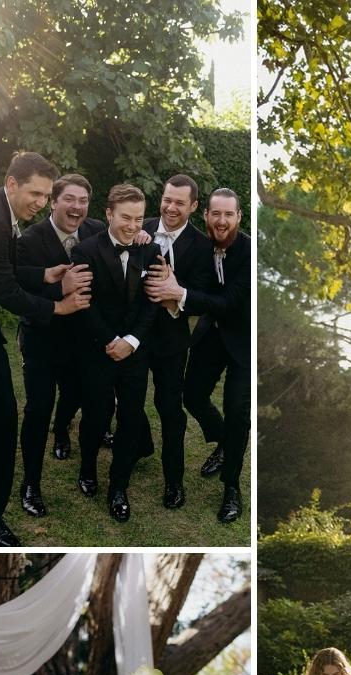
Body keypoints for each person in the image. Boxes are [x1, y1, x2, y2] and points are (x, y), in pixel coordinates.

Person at [0, 151, 90, 544]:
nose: (40, 203)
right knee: (2, 421)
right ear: (12, 184)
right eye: (35, 193)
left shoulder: (0, 209)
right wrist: (57, 306)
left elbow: (1, 269)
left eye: (46, 195)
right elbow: (5, 289)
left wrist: (44, 274)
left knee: (1, 419)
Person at [145, 187, 250, 524]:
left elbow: (229, 301)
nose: (221, 221)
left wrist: (181, 292)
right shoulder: (202, 247)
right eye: (215, 213)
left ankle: (231, 488)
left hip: (244, 338)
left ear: (238, 217)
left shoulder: (250, 251)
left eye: (228, 215)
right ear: (205, 214)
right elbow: (195, 284)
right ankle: (224, 441)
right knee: (191, 395)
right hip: (210, 333)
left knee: (237, 410)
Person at [70, 183, 161, 522]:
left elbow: (152, 302)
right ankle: (88, 468)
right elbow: (86, 304)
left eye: (139, 219)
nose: (134, 226)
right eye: (126, 218)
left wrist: (132, 341)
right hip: (97, 348)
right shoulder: (85, 251)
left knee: (132, 419)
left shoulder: (150, 251)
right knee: (94, 415)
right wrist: (111, 340)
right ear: (108, 213)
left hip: (136, 352)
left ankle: (118, 487)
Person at [15, 173, 104, 517]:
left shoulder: (97, 230)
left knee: (76, 396)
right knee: (38, 410)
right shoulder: (28, 241)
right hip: (42, 339)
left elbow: (126, 232)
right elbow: (20, 293)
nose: (77, 207)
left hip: (82, 340)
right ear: (53, 201)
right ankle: (31, 484)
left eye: (83, 201)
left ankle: (62, 431)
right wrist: (60, 290)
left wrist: (141, 234)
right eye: (70, 199)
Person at [142, 174, 214, 510]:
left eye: (179, 203)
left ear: (194, 206)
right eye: (167, 200)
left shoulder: (202, 246)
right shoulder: (138, 227)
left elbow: (203, 297)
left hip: (171, 339)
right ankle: (137, 448)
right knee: (127, 402)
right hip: (135, 337)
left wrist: (176, 295)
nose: (171, 207)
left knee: (170, 410)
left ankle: (174, 482)